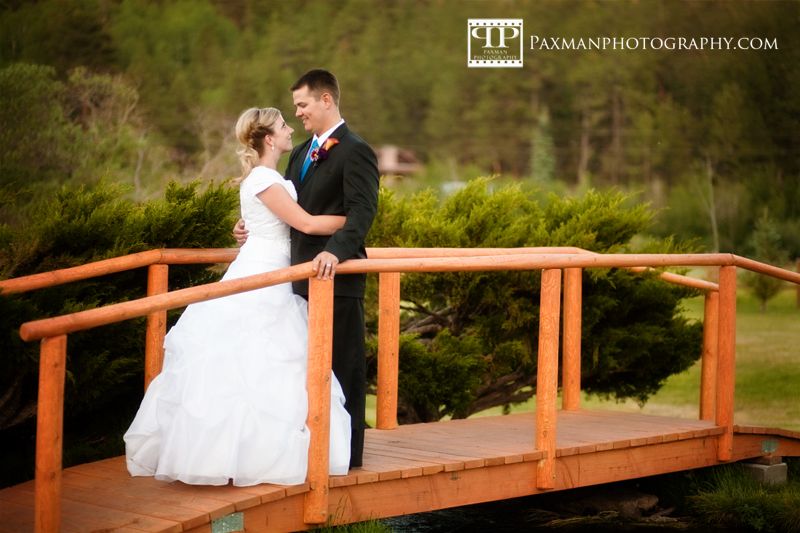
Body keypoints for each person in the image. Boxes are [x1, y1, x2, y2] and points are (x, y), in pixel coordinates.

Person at [124, 107, 352, 486]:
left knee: (269, 363)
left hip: (274, 269)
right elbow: (306, 223)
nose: (289, 129)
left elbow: (271, 222)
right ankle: (234, 458)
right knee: (252, 361)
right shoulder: (263, 178)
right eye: (283, 126)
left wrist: (244, 229)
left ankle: (253, 455)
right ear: (268, 139)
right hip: (262, 274)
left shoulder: (269, 177)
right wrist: (356, 220)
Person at [235, 69, 379, 468]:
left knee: (343, 366)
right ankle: (311, 451)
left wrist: (336, 252)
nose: (297, 112)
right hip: (294, 279)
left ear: (326, 100)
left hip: (338, 276)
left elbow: (363, 212)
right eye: (295, 106)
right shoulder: (299, 153)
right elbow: (282, 205)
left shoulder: (356, 150)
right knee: (303, 371)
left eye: (302, 104)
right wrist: (248, 226)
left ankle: (348, 458)